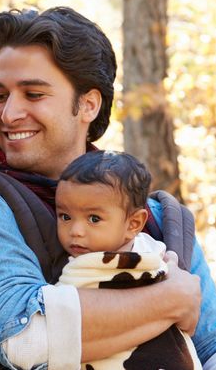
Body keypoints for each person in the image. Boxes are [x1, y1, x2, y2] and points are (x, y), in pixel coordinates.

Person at [0, 7, 216, 369]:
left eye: (34, 94)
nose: (8, 115)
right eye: (1, 95)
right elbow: (20, 337)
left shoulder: (158, 217)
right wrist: (172, 299)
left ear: (88, 104)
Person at [55, 150, 201, 369]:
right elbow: (188, 320)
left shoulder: (83, 269)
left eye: (94, 219)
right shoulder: (159, 253)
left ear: (134, 224)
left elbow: (53, 328)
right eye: (65, 216)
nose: (75, 231)